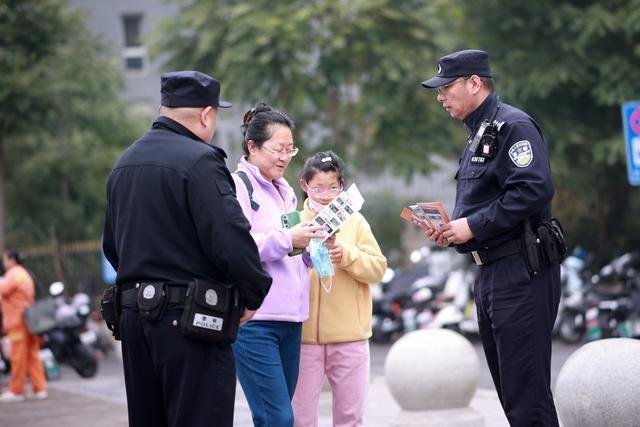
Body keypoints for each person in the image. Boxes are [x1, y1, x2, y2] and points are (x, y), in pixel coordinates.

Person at [102, 71, 272, 427]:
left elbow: (113, 247)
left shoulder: (124, 163)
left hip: (134, 319)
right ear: (206, 114)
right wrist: (252, 293)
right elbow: (229, 238)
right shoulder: (200, 160)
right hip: (192, 320)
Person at [421, 50, 562, 426]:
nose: (441, 97)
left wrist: (474, 226)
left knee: (527, 397)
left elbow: (533, 189)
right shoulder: (479, 132)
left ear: (474, 83)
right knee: (513, 394)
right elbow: (486, 204)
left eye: (446, 88)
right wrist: (454, 231)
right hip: (490, 273)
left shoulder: (513, 126)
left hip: (521, 270)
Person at [231, 102, 320, 427]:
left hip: (291, 320)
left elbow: (289, 254)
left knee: (277, 418)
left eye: (290, 149)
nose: (284, 157)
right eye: (277, 149)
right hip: (256, 321)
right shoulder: (238, 186)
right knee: (278, 418)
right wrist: (287, 239)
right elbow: (235, 248)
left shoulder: (285, 192)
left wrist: (310, 250)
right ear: (253, 147)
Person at [291, 151, 387, 427]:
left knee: (350, 417)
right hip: (303, 339)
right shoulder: (296, 222)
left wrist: (345, 255)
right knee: (301, 419)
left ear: (342, 187)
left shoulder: (356, 222)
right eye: (318, 187)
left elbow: (377, 268)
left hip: (350, 338)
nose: (325, 194)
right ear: (304, 185)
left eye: (333, 187)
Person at [0, 250, 48, 403]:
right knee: (33, 355)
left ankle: (16, 391)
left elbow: (3, 290)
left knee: (17, 357)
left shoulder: (13, 274)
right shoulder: (25, 273)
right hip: (29, 321)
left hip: (17, 321)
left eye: (5, 259)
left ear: (12, 260)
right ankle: (40, 389)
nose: (3, 263)